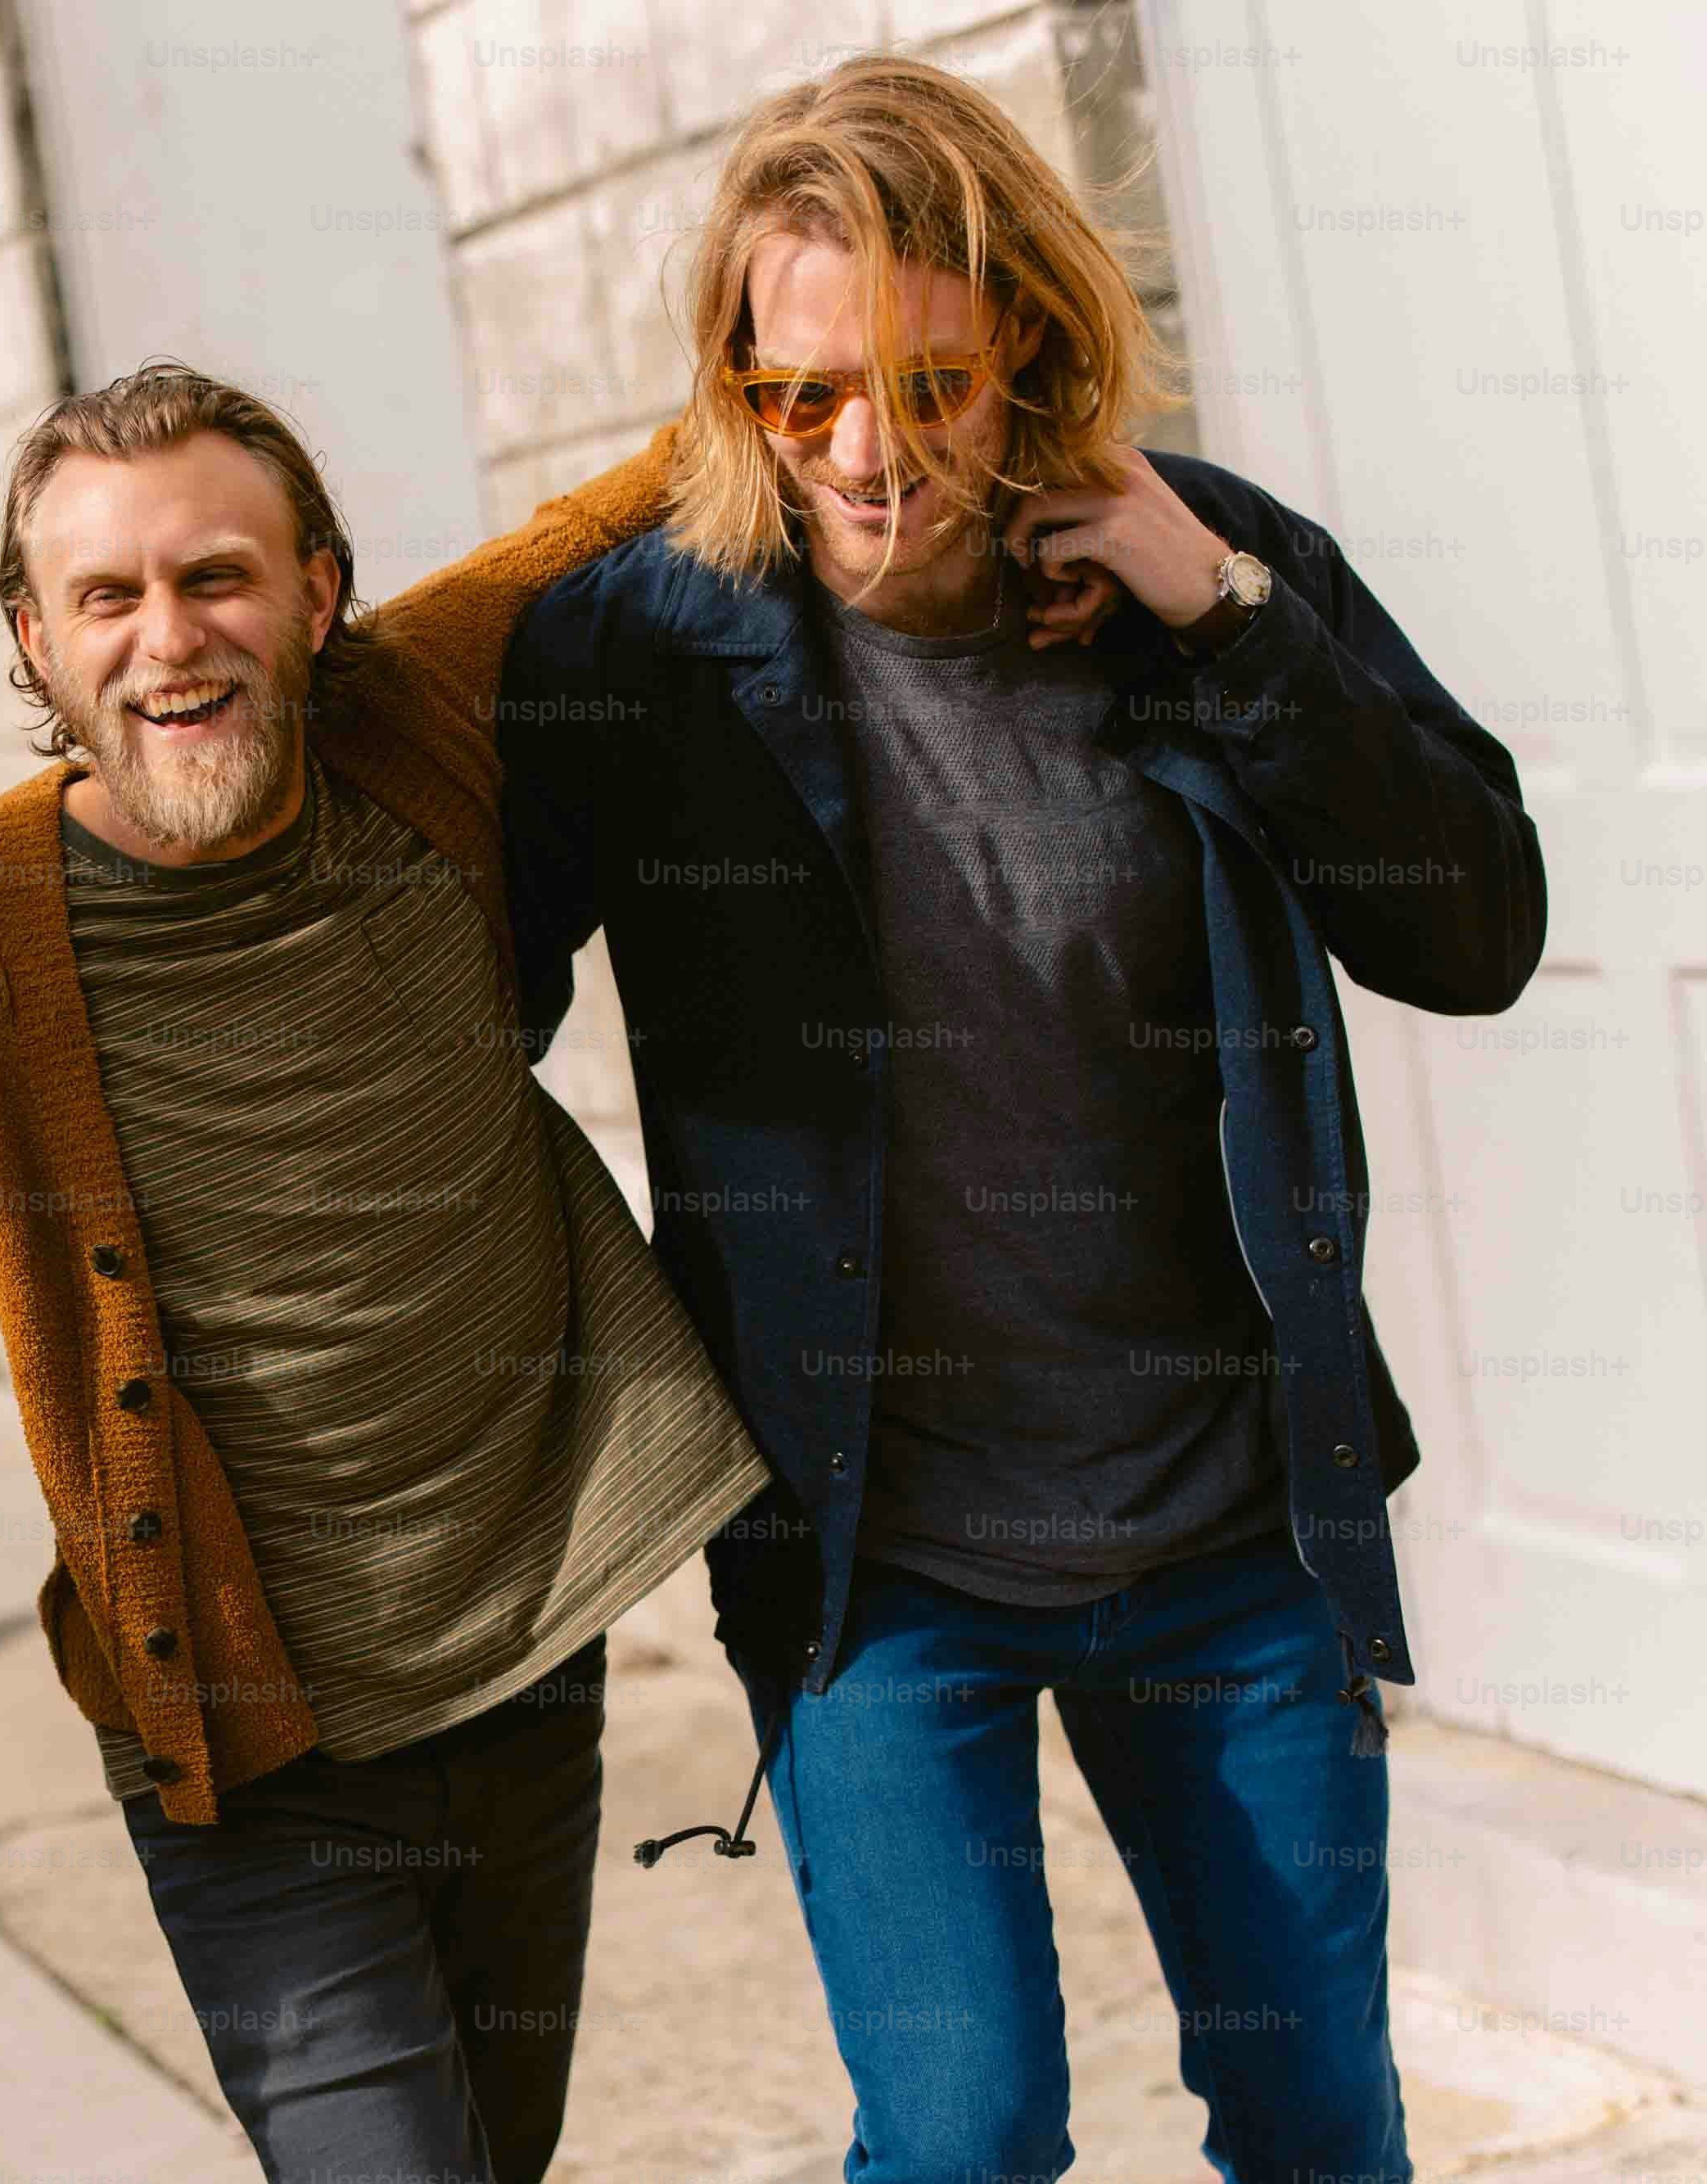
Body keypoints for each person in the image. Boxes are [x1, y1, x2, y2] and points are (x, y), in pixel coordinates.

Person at [495, 56, 1545, 2184]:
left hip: (1229, 1531)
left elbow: (1473, 924)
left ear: (1037, 359)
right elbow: (462, 1004)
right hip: (880, 1561)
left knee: (1323, 2122)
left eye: (932, 386)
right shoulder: (641, 652)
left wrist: (1217, 604)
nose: (868, 456)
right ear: (733, 389)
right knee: (962, 2134)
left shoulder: (1203, 578)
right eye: (800, 398)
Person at [0, 362, 771, 2183]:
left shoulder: (421, 733)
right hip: (240, 1740)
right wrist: (4, 1273)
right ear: (32, 643)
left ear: (318, 594)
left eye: (216, 577)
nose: (167, 638)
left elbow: (607, 516)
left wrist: (823, 382)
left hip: (527, 1643)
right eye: (105, 597)